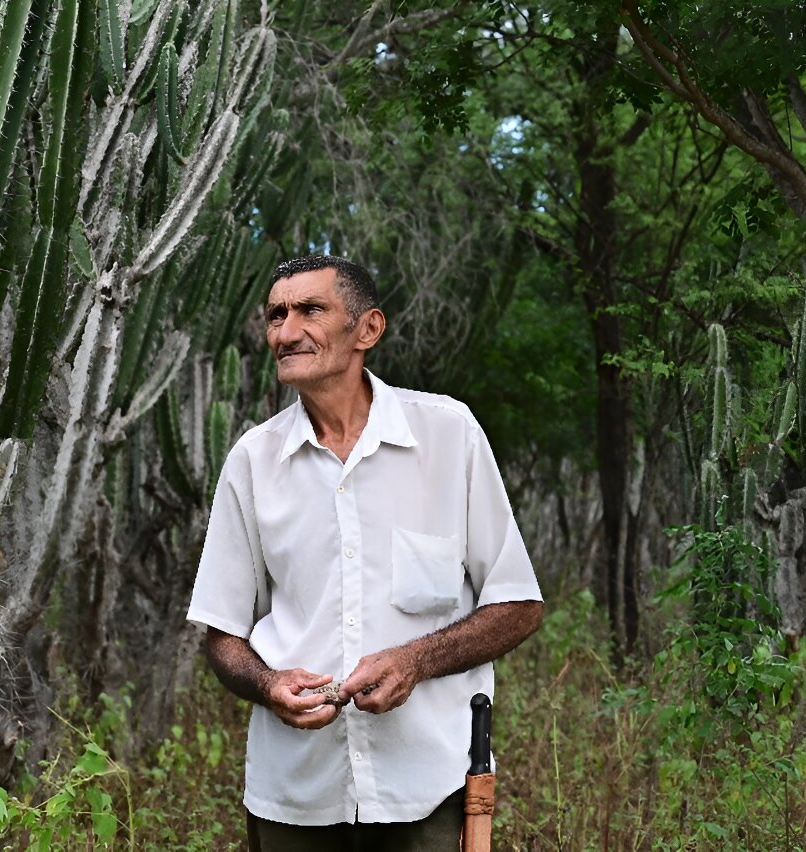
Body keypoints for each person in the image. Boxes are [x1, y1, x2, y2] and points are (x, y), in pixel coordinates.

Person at [186, 255, 544, 850]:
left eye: (310, 309)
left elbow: (518, 605)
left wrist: (416, 661)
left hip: (427, 787)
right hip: (294, 796)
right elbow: (222, 635)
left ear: (368, 330)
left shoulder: (448, 434)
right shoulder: (254, 459)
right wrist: (269, 683)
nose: (286, 330)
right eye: (277, 314)